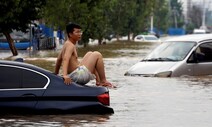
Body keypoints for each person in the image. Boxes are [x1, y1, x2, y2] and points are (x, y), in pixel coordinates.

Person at [54, 23, 115, 88]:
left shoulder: (66, 44)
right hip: (77, 76)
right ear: (70, 34)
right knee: (97, 54)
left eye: (80, 32)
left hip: (75, 74)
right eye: (77, 32)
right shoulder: (70, 45)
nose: (80, 34)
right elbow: (65, 59)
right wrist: (65, 75)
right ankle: (103, 81)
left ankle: (98, 81)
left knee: (89, 54)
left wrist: (55, 75)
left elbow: (59, 60)